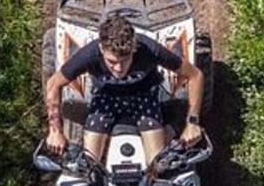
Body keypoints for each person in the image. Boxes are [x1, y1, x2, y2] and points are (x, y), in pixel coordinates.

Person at [44, 15, 204, 165]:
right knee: (89, 162)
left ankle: (173, 127)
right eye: (112, 62)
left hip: (144, 96)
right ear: (101, 49)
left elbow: (195, 75)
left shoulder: (149, 49)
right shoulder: (89, 55)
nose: (119, 68)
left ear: (134, 48)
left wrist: (192, 123)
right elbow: (53, 83)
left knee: (158, 163)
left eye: (125, 60)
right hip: (105, 97)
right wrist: (55, 131)